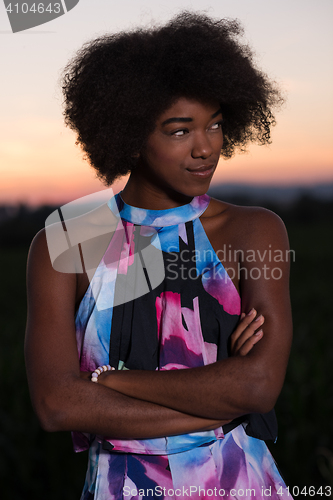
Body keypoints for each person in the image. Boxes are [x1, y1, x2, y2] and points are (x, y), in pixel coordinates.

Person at [25, 11, 293, 500]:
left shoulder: (253, 231)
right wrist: (219, 405)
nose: (205, 149)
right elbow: (56, 404)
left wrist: (108, 382)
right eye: (178, 130)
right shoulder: (64, 242)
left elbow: (257, 388)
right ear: (128, 134)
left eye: (213, 125)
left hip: (239, 486)